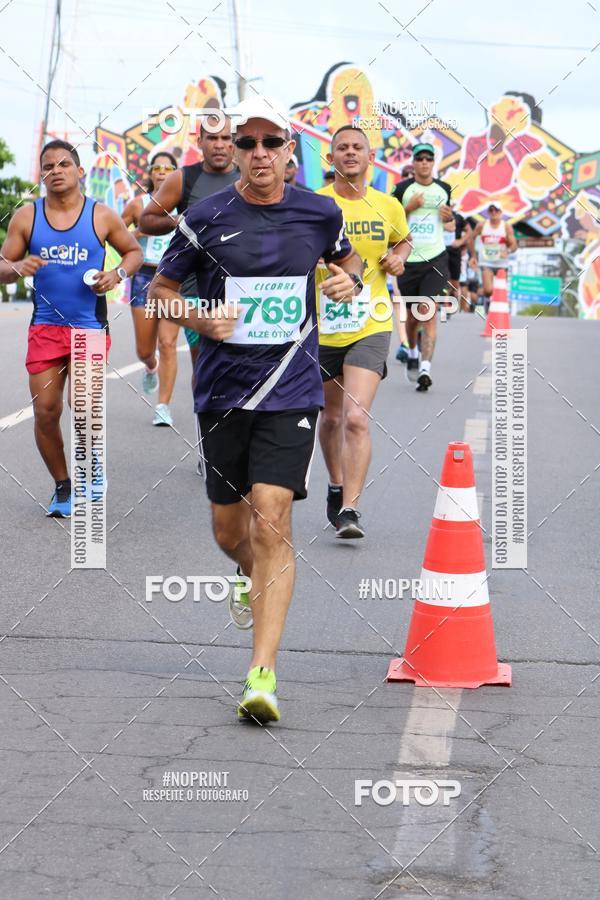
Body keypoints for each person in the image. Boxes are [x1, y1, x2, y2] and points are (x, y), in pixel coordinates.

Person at [148, 97, 362, 725]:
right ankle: (251, 575)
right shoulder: (205, 215)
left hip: (291, 388)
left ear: (290, 151)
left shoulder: (320, 212)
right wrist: (197, 318)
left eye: (272, 142)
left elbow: (347, 261)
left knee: (272, 519)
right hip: (223, 392)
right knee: (230, 532)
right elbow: (158, 291)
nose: (259, 153)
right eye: (247, 143)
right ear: (234, 151)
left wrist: (348, 280)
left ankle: (261, 675)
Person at [0, 140, 142, 516]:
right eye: (48, 166)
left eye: (64, 164)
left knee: (82, 406)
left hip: (88, 327)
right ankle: (63, 485)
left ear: (80, 172)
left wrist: (117, 274)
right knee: (46, 411)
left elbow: (134, 252)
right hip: (45, 329)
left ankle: (93, 466)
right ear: (41, 175)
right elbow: (2, 265)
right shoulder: (26, 217)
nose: (56, 171)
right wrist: (17, 268)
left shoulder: (102, 215)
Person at [316, 125, 411, 538]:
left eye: (358, 147)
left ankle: (350, 509)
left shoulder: (388, 205)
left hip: (371, 320)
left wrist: (398, 257)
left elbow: (404, 240)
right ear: (331, 158)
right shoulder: (315, 204)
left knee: (356, 418)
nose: (350, 152)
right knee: (331, 417)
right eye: (342, 148)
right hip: (322, 325)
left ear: (371, 157)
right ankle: (335, 484)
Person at [139, 118, 238, 370]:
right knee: (204, 365)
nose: (219, 145)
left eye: (225, 138)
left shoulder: (247, 177)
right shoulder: (183, 178)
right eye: (212, 138)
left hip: (242, 287)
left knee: (242, 364)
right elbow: (146, 221)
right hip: (196, 291)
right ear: (200, 141)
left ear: (234, 142)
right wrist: (177, 220)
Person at [121, 152, 179, 426]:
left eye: (168, 168)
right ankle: (150, 364)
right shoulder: (137, 205)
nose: (162, 172)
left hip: (174, 278)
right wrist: (138, 233)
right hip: (144, 277)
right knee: (145, 350)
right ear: (151, 173)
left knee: (167, 343)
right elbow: (112, 233)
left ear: (176, 174)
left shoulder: (185, 204)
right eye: (157, 167)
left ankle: (163, 407)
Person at [392, 142, 453, 392]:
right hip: (408, 260)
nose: (424, 162)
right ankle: (412, 352)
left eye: (429, 158)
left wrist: (450, 218)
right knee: (412, 316)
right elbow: (391, 222)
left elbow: (450, 222)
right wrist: (409, 208)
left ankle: (425, 369)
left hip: (435, 259)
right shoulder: (402, 189)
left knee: (427, 311)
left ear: (433, 162)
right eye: (420, 159)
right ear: (414, 163)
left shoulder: (444, 189)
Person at [469, 202, 517, 312]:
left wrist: (508, 251)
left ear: (500, 212)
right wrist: (473, 256)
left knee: (500, 290)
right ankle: (484, 297)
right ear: (488, 212)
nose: (494, 212)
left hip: (502, 263)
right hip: (486, 262)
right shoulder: (482, 225)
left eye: (496, 210)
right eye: (491, 210)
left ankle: (493, 307)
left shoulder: (506, 227)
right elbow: (471, 239)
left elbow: (514, 245)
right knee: (488, 290)